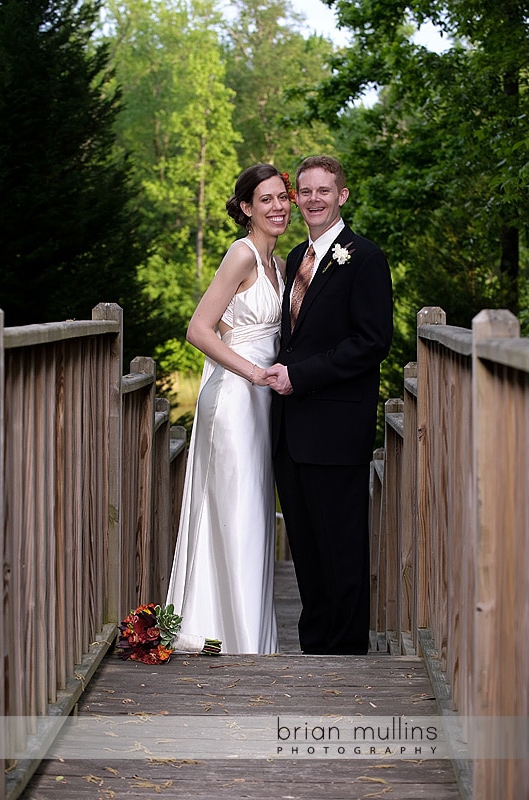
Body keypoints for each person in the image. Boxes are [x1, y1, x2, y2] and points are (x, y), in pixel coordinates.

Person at [265, 155, 393, 655]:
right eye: (305, 191)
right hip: (292, 429)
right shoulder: (297, 255)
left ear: (342, 195)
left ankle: (345, 655)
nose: (314, 199)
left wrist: (300, 376)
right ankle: (313, 649)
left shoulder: (364, 257)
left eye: (324, 190)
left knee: (341, 549)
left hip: (337, 427)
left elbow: (371, 341)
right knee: (307, 550)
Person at [166, 163, 293, 654]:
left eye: (282, 197)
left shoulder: (279, 266)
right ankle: (232, 639)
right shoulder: (240, 255)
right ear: (246, 208)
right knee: (235, 511)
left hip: (263, 403)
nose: (279, 206)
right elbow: (199, 329)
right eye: (266, 199)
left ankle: (248, 636)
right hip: (236, 399)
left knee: (255, 511)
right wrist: (253, 372)